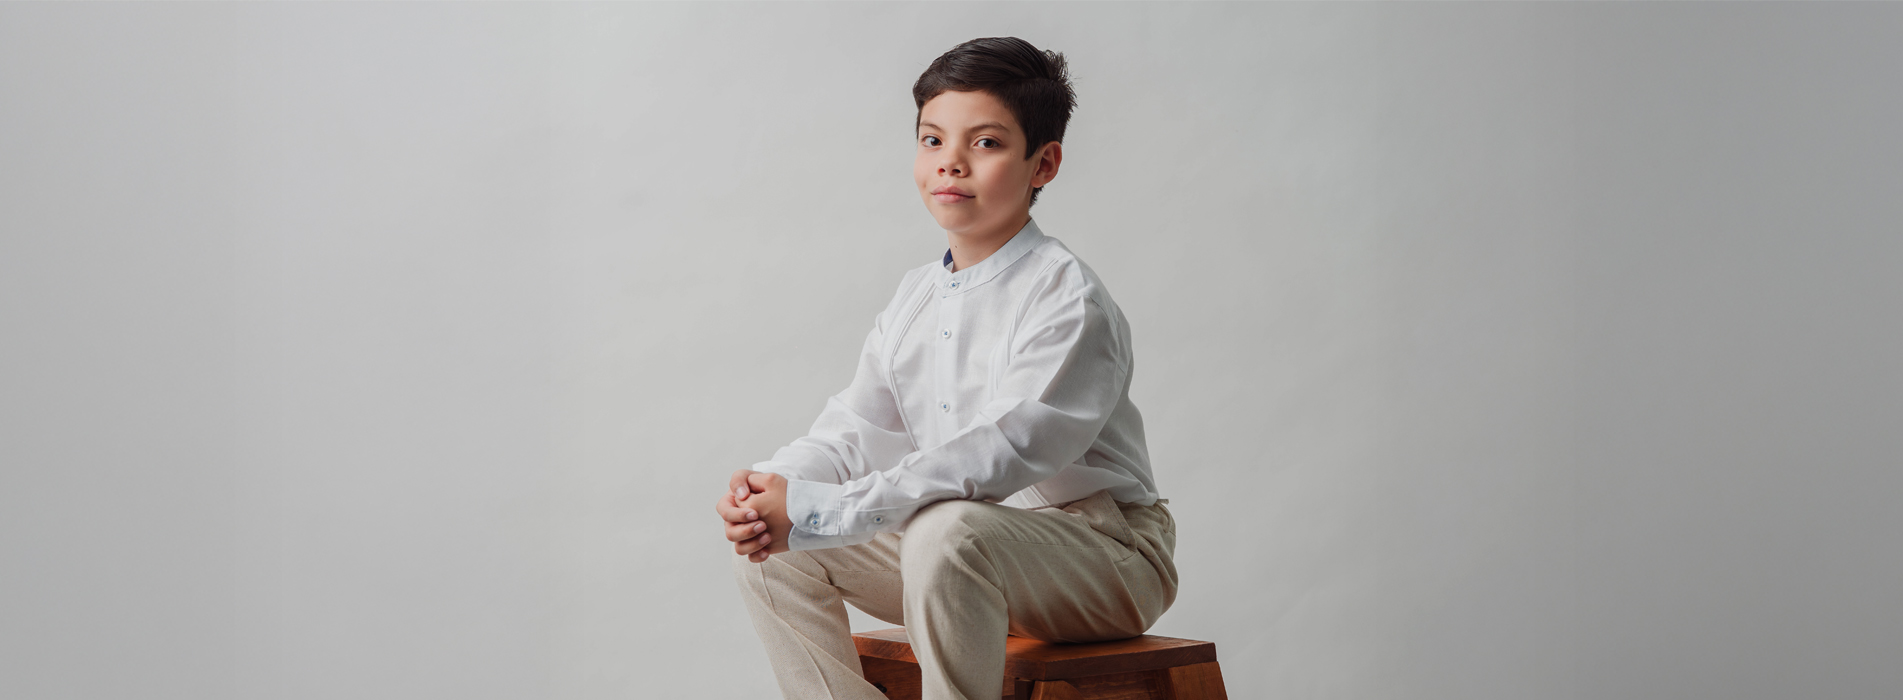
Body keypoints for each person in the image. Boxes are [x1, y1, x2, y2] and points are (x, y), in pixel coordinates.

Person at [713, 36, 1176, 700]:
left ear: (1043, 164)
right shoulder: (916, 296)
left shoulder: (1067, 297)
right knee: (772, 553)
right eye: (932, 140)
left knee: (943, 527)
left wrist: (823, 508)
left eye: (984, 143)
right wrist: (774, 490)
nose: (950, 163)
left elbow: (997, 453)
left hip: (1106, 556)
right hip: (964, 558)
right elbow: (854, 430)